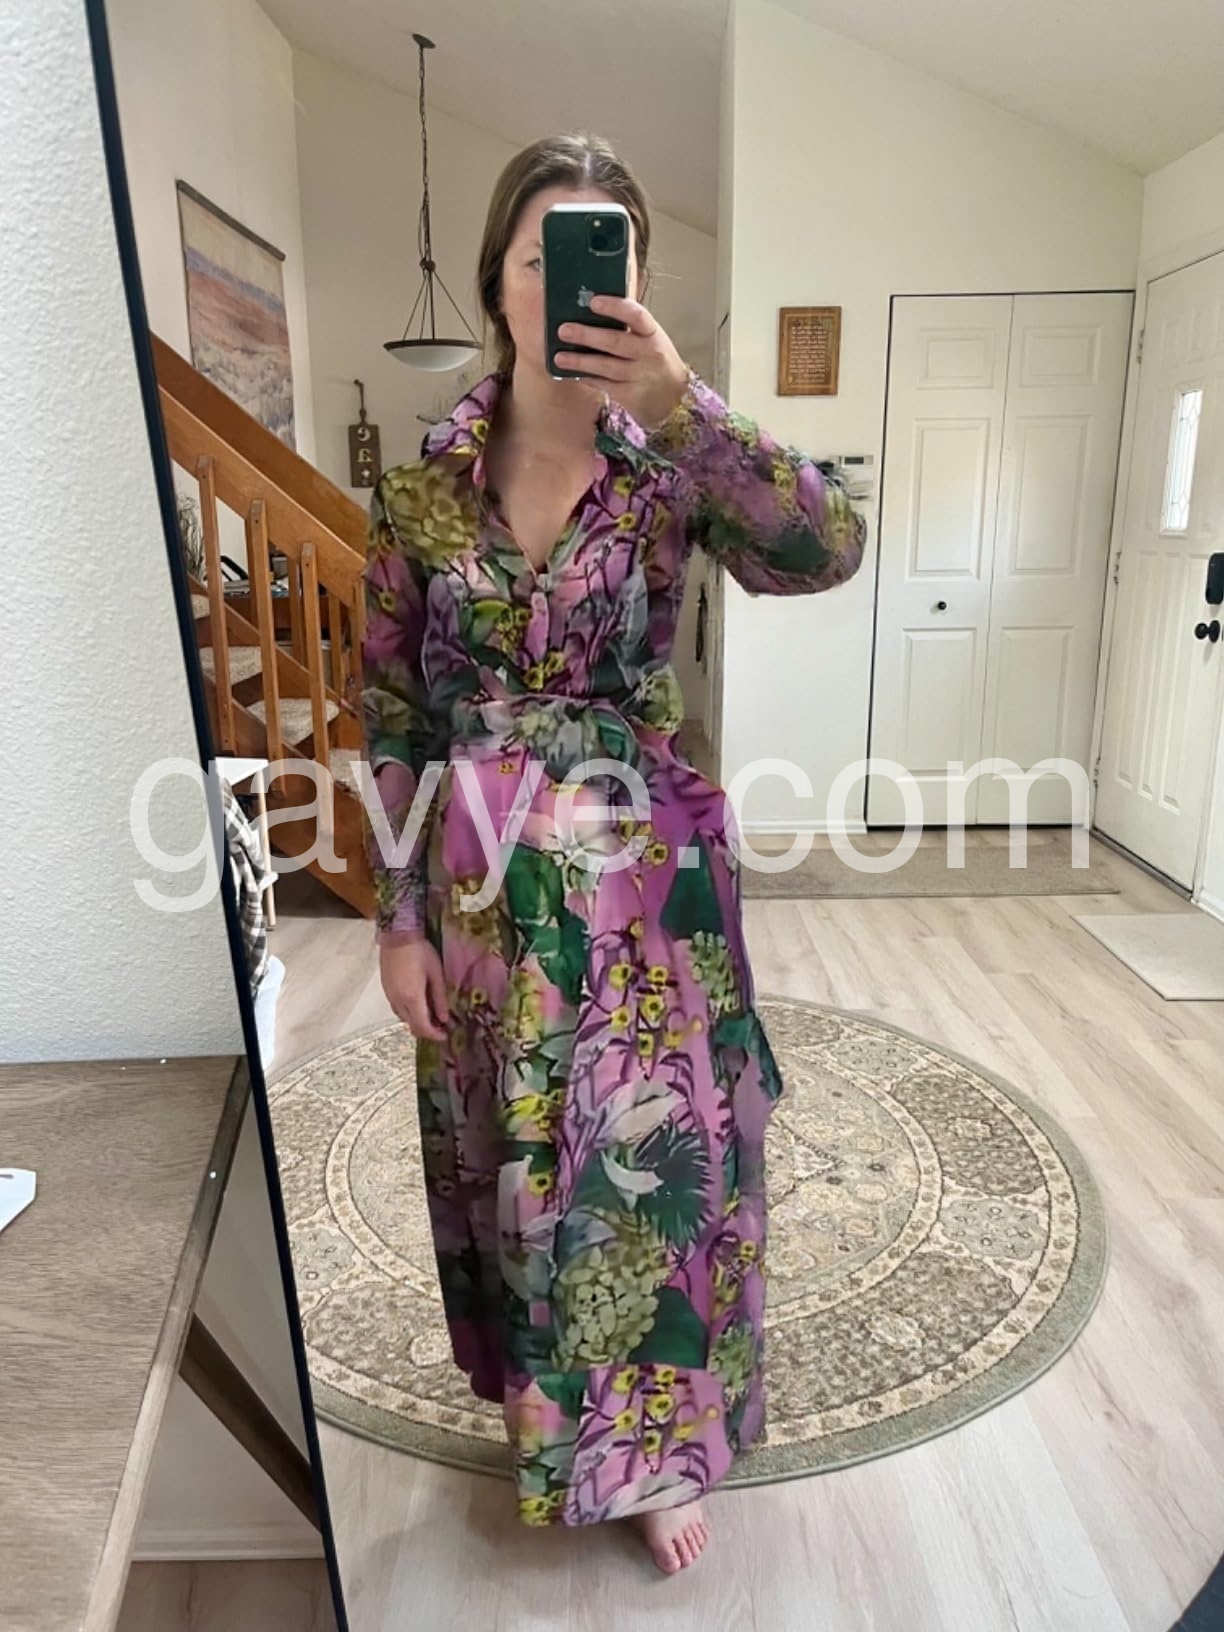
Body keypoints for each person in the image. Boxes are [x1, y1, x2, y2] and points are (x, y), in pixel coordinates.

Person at [360, 133, 866, 1575]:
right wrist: (395, 917)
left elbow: (825, 549)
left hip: (642, 879)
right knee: (516, 1157)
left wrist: (685, 402)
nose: (574, 284)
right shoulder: (423, 489)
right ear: (498, 283)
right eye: (545, 257)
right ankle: (549, 1417)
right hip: (478, 890)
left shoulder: (666, 469)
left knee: (648, 1157)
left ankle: (650, 1454)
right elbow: (390, 708)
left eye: (608, 257)